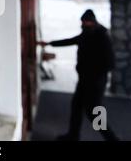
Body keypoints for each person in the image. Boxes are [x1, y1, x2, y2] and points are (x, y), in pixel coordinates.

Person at [38, 9, 119, 141]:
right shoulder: (87, 33)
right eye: (82, 22)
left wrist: (94, 73)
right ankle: (73, 135)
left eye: (86, 22)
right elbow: (71, 40)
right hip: (84, 80)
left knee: (94, 112)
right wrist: (49, 43)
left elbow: (110, 63)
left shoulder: (102, 36)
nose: (83, 24)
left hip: (95, 82)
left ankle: (112, 139)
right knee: (76, 106)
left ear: (92, 22)